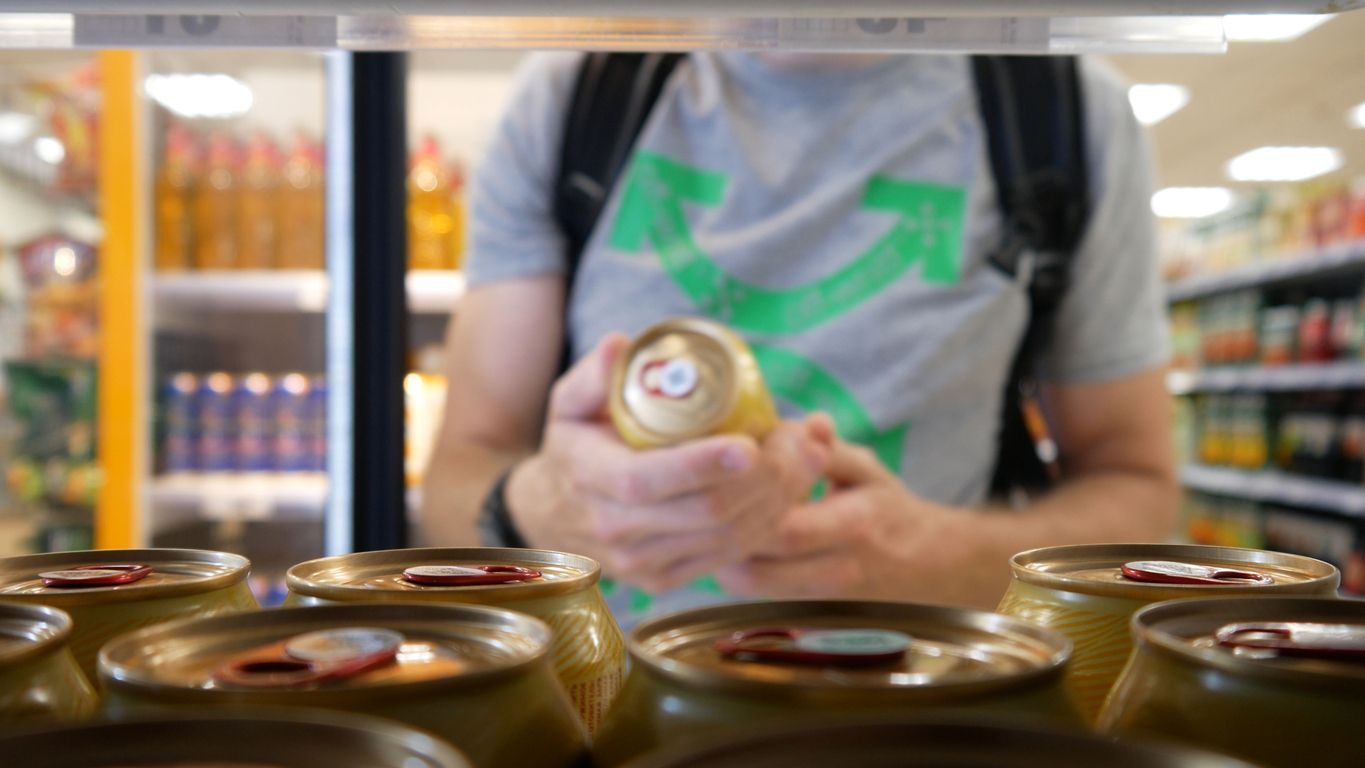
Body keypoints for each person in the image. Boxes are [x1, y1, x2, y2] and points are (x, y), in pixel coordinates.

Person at [420, 51, 1179, 625]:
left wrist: (946, 560)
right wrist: (540, 508)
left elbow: (1140, 492)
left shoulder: (1061, 111)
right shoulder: (574, 99)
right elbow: (452, 490)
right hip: (617, 717)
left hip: (927, 717)